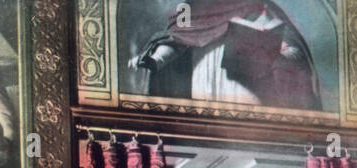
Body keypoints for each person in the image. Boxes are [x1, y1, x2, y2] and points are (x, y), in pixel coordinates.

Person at [131, 1, 321, 110]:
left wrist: (279, 56)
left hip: (253, 94)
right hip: (204, 87)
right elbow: (176, 38)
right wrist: (156, 59)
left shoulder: (264, 6)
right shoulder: (194, 7)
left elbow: (295, 54)